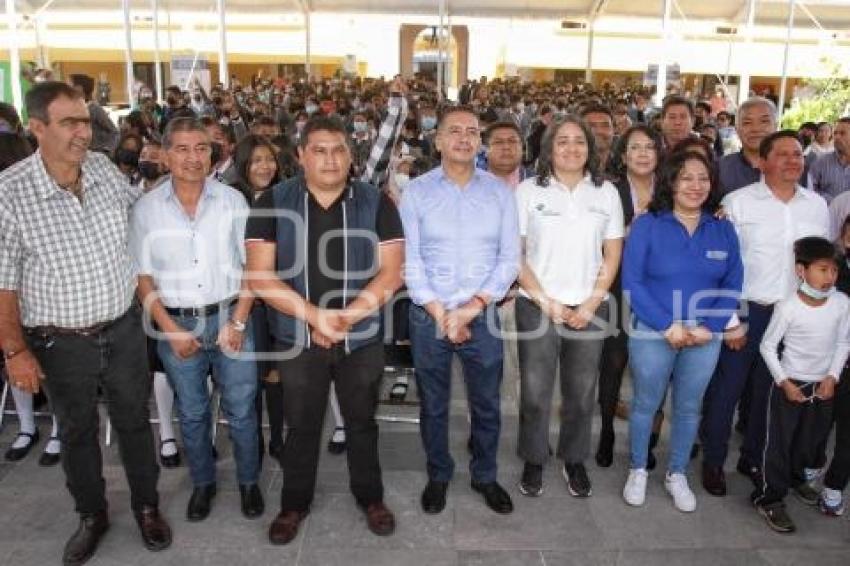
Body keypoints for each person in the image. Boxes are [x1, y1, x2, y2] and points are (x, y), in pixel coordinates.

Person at [0, 81, 171, 565]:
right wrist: (16, 351)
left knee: (135, 424)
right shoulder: (9, 195)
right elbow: (3, 285)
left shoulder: (101, 169)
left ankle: (146, 506)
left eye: (85, 120)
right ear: (36, 128)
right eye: (69, 123)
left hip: (122, 328)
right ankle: (91, 514)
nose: (83, 132)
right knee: (77, 432)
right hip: (59, 341)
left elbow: (137, 221)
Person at [245, 114, 404, 544]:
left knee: (361, 421)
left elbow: (391, 273)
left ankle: (369, 496)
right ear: (300, 155)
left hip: (362, 336)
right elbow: (260, 276)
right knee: (302, 423)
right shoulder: (273, 202)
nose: (330, 159)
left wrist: (344, 320)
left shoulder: (376, 202)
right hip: (298, 336)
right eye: (319, 150)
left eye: (338, 150)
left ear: (351, 155)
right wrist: (316, 318)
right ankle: (294, 504)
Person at [130, 117, 263, 522]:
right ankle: (203, 484)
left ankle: (248, 482)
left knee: (241, 409)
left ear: (213, 153)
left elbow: (253, 268)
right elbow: (142, 276)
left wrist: (238, 322)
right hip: (176, 323)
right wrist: (170, 331)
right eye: (183, 149)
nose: (193, 158)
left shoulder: (233, 201)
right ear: (166, 154)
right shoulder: (147, 209)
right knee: (191, 411)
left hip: (230, 316)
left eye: (201, 148)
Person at [400, 106, 521, 516]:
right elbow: (410, 262)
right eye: (455, 131)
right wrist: (441, 313)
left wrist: (470, 309)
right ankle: (439, 474)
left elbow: (509, 260)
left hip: (481, 314)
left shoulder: (500, 193)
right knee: (433, 403)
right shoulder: (416, 192)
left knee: (486, 403)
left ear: (480, 141)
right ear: (437, 140)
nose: (465, 138)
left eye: (472, 131)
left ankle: (485, 475)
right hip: (428, 314)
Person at [700, 130, 829, 497]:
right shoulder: (737, 203)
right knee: (727, 390)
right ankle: (713, 461)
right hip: (746, 311)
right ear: (763, 161)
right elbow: (723, 267)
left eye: (798, 155)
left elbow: (821, 262)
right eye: (784, 154)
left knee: (767, 393)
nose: (793, 160)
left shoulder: (816, 206)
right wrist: (731, 320)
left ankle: (753, 458)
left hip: (792, 316)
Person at [621, 151, 743, 512]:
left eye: (703, 178)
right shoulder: (648, 224)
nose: (695, 186)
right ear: (671, 182)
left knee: (689, 409)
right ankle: (638, 468)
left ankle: (677, 473)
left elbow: (733, 282)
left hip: (705, 338)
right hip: (653, 332)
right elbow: (633, 282)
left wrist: (711, 326)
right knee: (646, 403)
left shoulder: (723, 228)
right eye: (686, 178)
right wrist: (667, 325)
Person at [514, 115, 623, 498]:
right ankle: (533, 457)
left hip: (590, 308)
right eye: (563, 141)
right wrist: (548, 303)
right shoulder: (528, 191)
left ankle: (574, 458)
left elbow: (612, 254)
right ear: (549, 148)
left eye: (580, 141)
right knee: (535, 391)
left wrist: (591, 303)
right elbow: (516, 255)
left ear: (590, 148)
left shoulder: (605, 192)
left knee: (581, 392)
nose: (572, 148)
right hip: (536, 306)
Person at [753, 236, 850, 532]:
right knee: (779, 445)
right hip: (790, 384)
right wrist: (784, 382)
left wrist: (832, 377)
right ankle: (770, 498)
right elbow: (768, 346)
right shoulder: (788, 307)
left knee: (809, 442)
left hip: (824, 386)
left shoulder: (842, 302)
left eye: (834, 271)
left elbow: (844, 341)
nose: (829, 277)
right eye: (822, 269)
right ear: (801, 270)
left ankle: (797, 480)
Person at [596, 124, 661, 468]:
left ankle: (647, 442)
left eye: (650, 147)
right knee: (614, 364)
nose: (643, 153)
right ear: (623, 156)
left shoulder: (671, 191)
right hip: (617, 289)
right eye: (635, 147)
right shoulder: (608, 191)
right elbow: (596, 241)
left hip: (661, 292)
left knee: (654, 370)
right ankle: (606, 430)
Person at [231, 134, 285, 462]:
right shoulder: (233, 200)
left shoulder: (286, 196)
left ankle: (278, 436)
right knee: (248, 375)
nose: (265, 166)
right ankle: (253, 440)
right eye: (256, 161)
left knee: (276, 374)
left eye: (269, 159)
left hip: (278, 301)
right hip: (245, 303)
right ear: (244, 166)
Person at [818, 216, 850, 516]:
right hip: (828, 361)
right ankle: (810, 464)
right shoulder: (833, 273)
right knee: (819, 424)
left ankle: (834, 486)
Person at [717, 97, 776, 195]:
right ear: (736, 129)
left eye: (764, 121)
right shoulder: (719, 169)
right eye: (747, 123)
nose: (756, 129)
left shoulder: (793, 167)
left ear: (776, 126)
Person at [810, 117, 850, 205]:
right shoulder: (820, 162)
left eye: (842, 133)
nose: (837, 137)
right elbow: (809, 190)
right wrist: (832, 201)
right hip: (825, 214)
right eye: (835, 133)